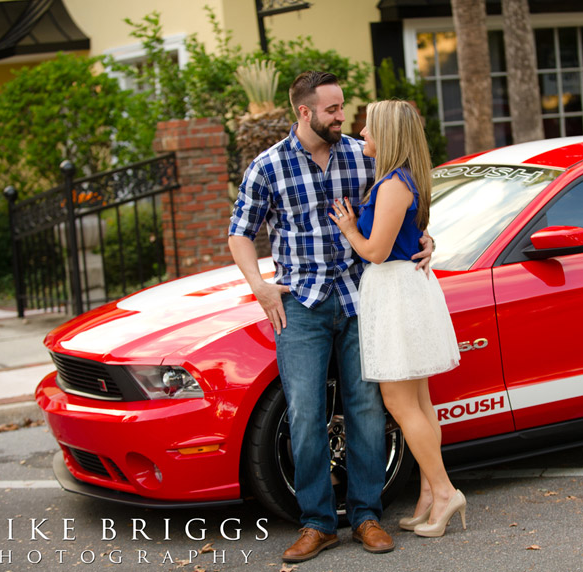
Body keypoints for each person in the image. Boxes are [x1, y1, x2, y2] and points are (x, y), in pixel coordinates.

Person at [228, 72, 433, 563]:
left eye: (343, 107)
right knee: (304, 414)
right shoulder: (268, 166)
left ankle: (366, 516)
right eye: (333, 109)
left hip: (361, 299)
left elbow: (400, 205)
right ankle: (317, 523)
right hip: (299, 305)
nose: (343, 117)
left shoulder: (360, 158)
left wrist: (426, 240)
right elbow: (240, 231)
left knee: (366, 409)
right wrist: (258, 285)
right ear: (305, 112)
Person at [329, 99, 465, 538]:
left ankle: (444, 492)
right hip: (403, 290)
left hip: (395, 292)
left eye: (368, 128)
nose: (362, 134)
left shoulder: (392, 184)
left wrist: (350, 228)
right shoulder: (403, 179)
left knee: (400, 403)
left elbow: (375, 251)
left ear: (387, 135)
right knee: (421, 402)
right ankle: (429, 494)